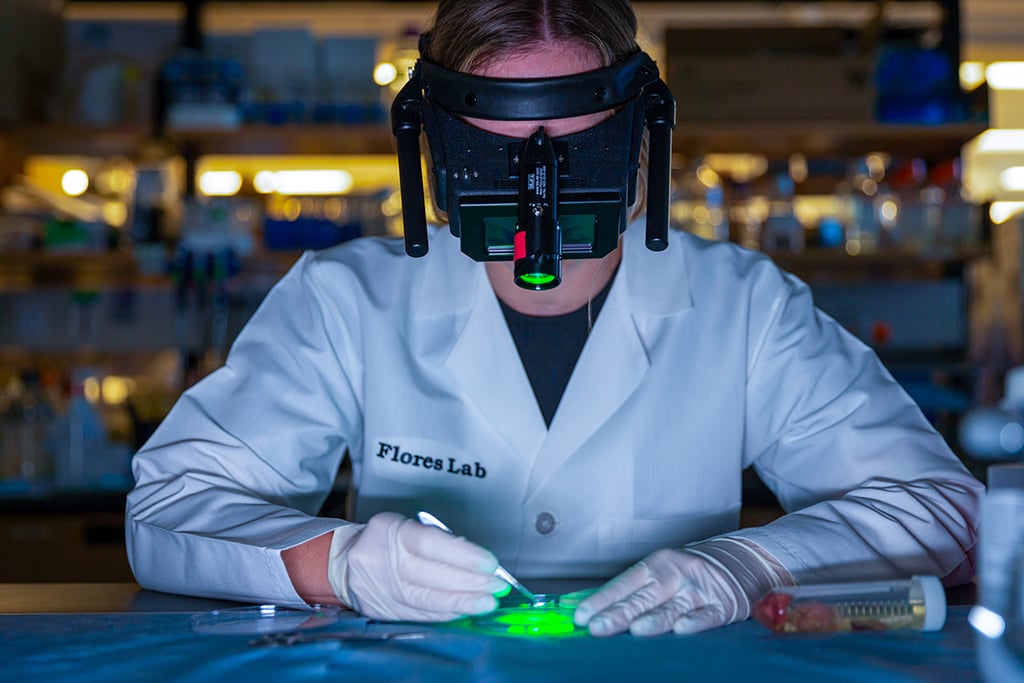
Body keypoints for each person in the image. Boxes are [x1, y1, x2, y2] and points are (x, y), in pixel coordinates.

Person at [126, 0, 982, 638]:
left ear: (639, 141)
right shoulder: (345, 302)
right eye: (497, 157)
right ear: (436, 157)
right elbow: (170, 507)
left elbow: (943, 507)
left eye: (578, 154)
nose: (542, 196)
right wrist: (338, 565)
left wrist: (750, 564)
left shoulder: (743, 307)